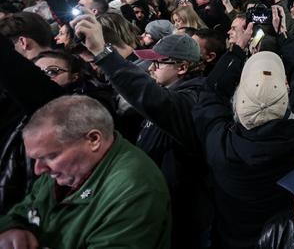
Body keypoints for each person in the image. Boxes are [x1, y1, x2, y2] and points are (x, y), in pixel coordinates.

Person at [74, 15, 210, 249]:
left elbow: (150, 98)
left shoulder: (190, 101)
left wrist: (103, 52)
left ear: (183, 67)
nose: (151, 68)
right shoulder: (172, 92)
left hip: (176, 213)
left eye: (158, 63)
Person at [193, 6, 294, 249]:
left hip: (231, 239)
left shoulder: (220, 146)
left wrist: (237, 49)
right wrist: (284, 36)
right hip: (282, 239)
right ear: (287, 95)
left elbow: (211, 91)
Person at [0, 95, 171, 249]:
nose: (38, 170)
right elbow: (24, 210)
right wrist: (13, 229)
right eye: (36, 159)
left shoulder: (135, 189)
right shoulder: (69, 168)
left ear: (93, 140)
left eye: (50, 157)